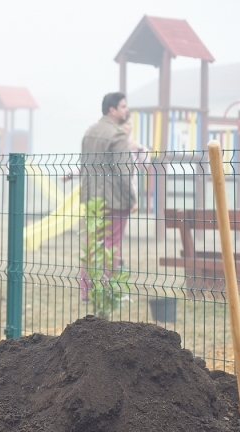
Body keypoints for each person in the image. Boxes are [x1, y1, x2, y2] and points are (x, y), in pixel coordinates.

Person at [78, 92, 136, 301]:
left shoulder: (89, 133)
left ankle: (86, 288)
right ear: (112, 110)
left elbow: (84, 166)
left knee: (91, 242)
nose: (125, 110)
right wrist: (131, 199)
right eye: (122, 107)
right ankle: (108, 289)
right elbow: (124, 171)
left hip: (91, 197)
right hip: (114, 200)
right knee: (112, 244)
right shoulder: (118, 135)